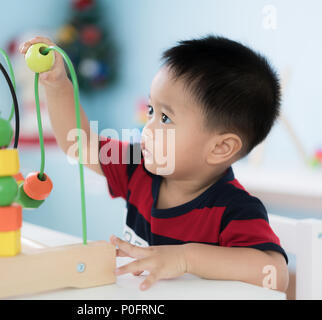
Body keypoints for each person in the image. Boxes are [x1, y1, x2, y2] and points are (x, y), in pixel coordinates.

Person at [19, 35, 289, 292]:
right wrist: (57, 84)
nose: (147, 128)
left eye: (165, 118)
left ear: (220, 147)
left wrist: (186, 258)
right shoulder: (139, 167)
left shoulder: (235, 209)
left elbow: (275, 274)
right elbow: (78, 145)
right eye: (151, 111)